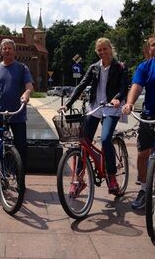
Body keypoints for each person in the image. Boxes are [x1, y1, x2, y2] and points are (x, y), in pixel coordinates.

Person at [58, 37, 129, 196]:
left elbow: (124, 86)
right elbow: (81, 85)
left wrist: (117, 98)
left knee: (105, 139)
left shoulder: (120, 67)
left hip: (111, 108)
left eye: (105, 49)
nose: (103, 52)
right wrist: (68, 104)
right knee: (84, 142)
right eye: (100, 50)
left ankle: (112, 178)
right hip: (95, 107)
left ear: (110, 49)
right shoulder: (94, 68)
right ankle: (79, 179)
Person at [0, 38, 34, 173]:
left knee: (21, 148)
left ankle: (20, 178)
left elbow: (29, 86)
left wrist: (27, 94)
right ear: (1, 51)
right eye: (4, 48)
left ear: (15, 51)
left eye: (10, 48)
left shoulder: (22, 68)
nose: (7, 50)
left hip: (17, 115)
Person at [122, 34, 155, 210]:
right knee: (142, 156)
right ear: (149, 49)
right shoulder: (145, 67)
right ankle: (144, 189)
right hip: (149, 116)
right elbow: (136, 86)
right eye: (153, 45)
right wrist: (129, 103)